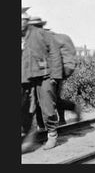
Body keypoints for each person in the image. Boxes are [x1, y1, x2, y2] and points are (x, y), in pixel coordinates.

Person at [28, 16, 82, 126]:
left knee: (51, 100)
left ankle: (72, 109)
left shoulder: (47, 37)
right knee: (47, 100)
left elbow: (53, 57)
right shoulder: (42, 36)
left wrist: (54, 76)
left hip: (53, 73)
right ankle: (48, 124)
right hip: (45, 73)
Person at [22, 8, 63, 151]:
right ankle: (30, 135)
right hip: (25, 79)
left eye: (23, 20)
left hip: (44, 76)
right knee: (27, 109)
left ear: (27, 21)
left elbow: (55, 53)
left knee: (47, 106)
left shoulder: (42, 34)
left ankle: (52, 135)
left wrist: (55, 76)